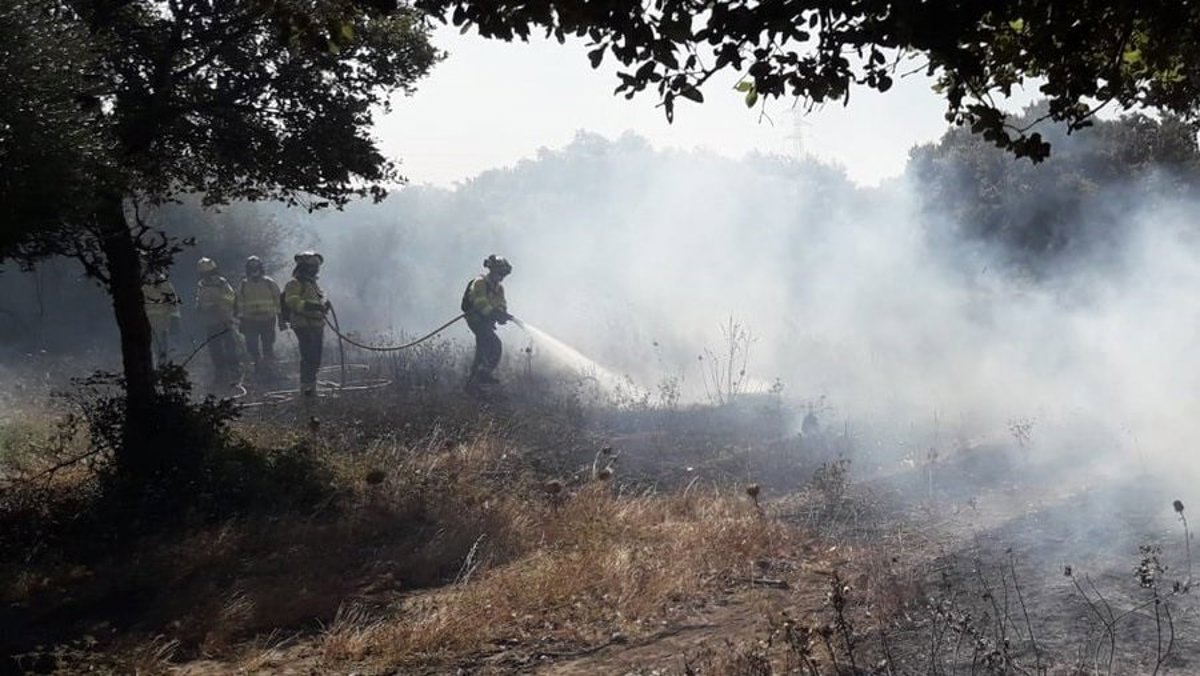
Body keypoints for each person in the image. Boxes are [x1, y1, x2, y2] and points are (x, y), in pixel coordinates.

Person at [462, 254, 513, 385]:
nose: (501, 277)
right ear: (492, 270)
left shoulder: (499, 288)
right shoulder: (480, 283)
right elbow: (480, 303)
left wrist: (502, 314)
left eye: (503, 275)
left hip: (487, 321)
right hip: (476, 320)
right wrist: (494, 314)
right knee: (494, 345)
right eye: (499, 274)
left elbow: (501, 303)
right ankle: (483, 374)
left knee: (482, 348)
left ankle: (473, 382)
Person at [283, 251, 328, 396]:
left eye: (316, 266)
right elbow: (292, 301)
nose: (315, 269)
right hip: (303, 324)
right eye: (312, 266)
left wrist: (324, 306)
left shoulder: (313, 285)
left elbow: (319, 302)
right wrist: (311, 306)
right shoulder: (294, 284)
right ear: (304, 267)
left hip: (317, 324)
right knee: (309, 356)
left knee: (315, 357)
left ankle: (311, 387)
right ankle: (306, 389)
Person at [195, 257, 241, 387]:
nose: (207, 276)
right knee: (215, 349)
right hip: (210, 322)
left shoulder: (221, 283)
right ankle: (220, 372)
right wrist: (199, 306)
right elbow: (200, 299)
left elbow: (230, 297)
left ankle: (234, 371)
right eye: (204, 273)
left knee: (230, 346)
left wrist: (219, 306)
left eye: (208, 273)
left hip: (224, 320)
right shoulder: (201, 285)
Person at [237, 255, 282, 382]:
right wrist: (241, 320)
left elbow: (278, 301)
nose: (254, 269)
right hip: (250, 321)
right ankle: (258, 366)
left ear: (261, 268)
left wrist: (281, 319)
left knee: (268, 345)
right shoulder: (243, 284)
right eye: (251, 267)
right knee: (252, 345)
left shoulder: (269, 282)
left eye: (256, 266)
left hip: (268, 320)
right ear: (248, 269)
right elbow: (239, 303)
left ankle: (269, 370)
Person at [143, 270, 182, 366]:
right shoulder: (164, 285)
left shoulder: (146, 285)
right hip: (155, 322)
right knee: (158, 346)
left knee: (161, 345)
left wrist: (174, 318)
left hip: (160, 321)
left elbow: (173, 303)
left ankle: (162, 365)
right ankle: (161, 365)